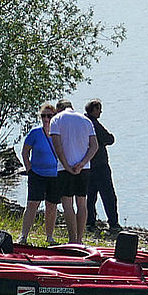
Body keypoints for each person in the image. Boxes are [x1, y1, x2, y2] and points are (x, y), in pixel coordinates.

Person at [47, 99, 99, 246]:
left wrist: (67, 165)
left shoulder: (56, 120)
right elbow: (94, 146)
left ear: (58, 109)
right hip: (84, 168)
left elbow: (57, 146)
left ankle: (72, 239)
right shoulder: (86, 120)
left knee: (68, 204)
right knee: (82, 203)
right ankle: (80, 239)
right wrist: (82, 163)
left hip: (65, 168)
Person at [16, 103, 61, 246]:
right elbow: (25, 152)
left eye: (50, 116)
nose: (46, 119)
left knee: (52, 206)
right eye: (44, 116)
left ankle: (49, 237)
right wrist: (28, 167)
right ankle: (23, 236)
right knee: (32, 204)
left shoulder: (59, 134)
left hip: (55, 175)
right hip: (37, 174)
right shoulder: (35, 133)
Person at [82, 99, 119, 233]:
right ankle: (113, 223)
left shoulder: (84, 123)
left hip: (88, 166)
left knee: (90, 196)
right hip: (100, 165)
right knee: (108, 195)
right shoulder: (94, 124)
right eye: (99, 109)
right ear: (94, 110)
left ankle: (89, 222)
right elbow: (109, 139)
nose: (101, 112)